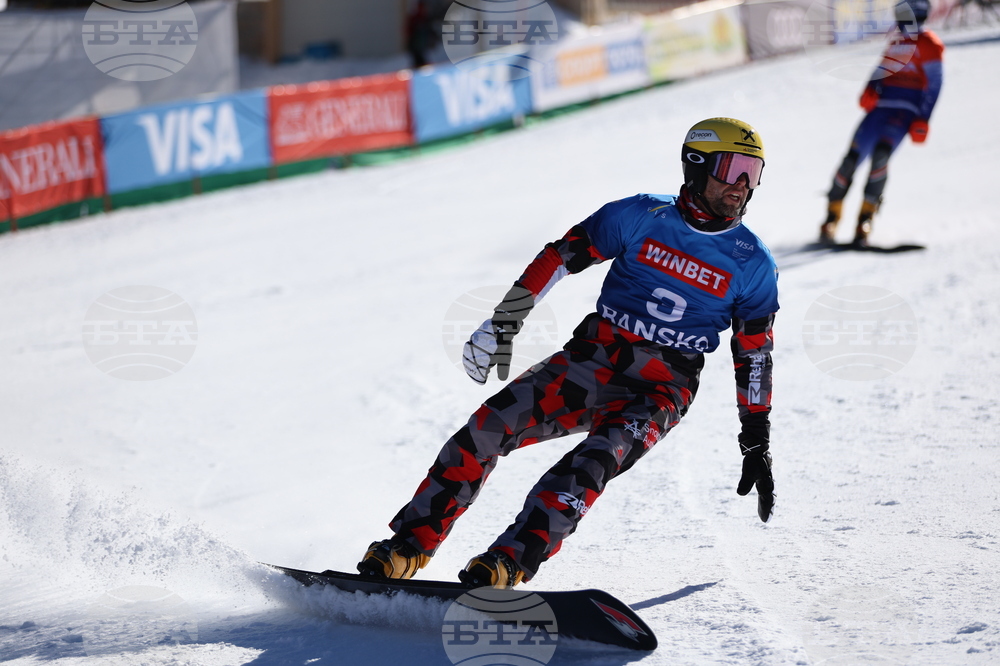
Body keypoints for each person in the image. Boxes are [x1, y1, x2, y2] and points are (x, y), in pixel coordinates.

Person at [358, 118, 779, 588]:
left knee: (587, 466)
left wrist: (756, 435)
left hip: (661, 389)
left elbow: (755, 353)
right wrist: (505, 320)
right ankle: (408, 549)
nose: (742, 184)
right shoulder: (639, 216)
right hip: (592, 360)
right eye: (733, 167)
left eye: (754, 172)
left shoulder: (753, 263)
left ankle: (505, 565)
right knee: (485, 429)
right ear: (697, 167)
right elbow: (561, 256)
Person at [819, 0, 944, 247]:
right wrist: (870, 87)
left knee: (880, 156)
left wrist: (924, 117)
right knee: (850, 160)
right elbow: (880, 69)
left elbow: (936, 84)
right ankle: (831, 218)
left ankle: (865, 219)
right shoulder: (897, 42)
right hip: (879, 110)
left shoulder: (930, 44)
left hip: (903, 112)